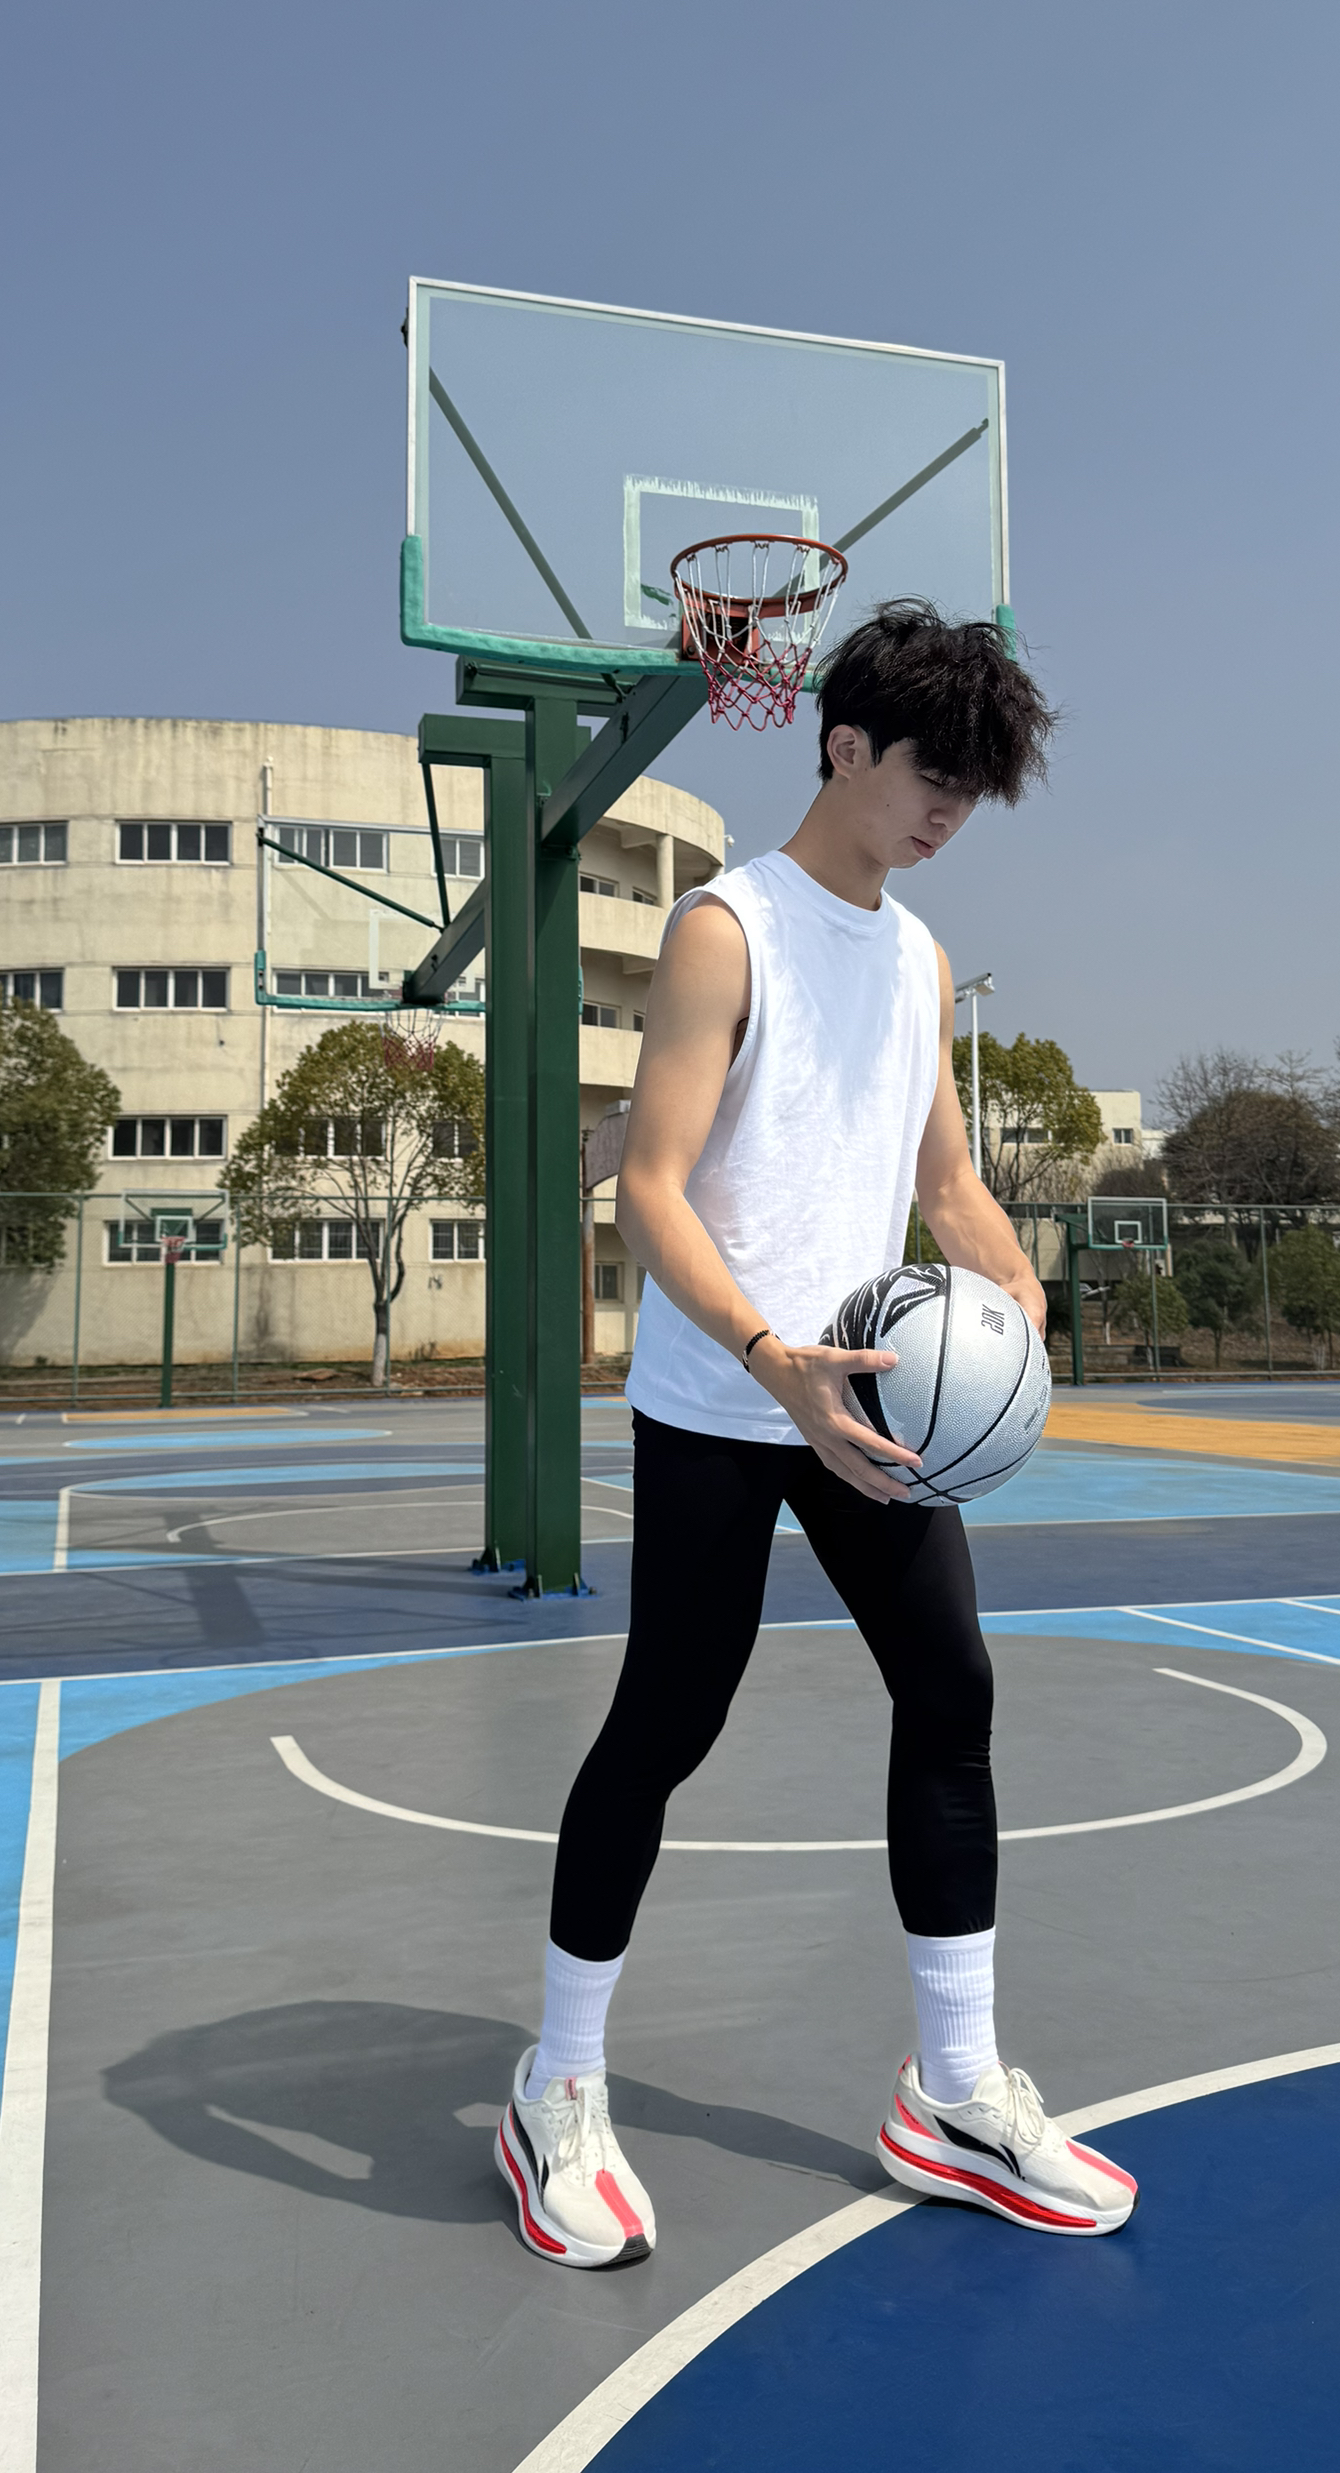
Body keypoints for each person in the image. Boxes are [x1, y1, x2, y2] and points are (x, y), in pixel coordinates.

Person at [494, 602, 1138, 2267]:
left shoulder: (915, 959)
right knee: (665, 1724)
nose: (949, 814)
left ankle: (955, 2093)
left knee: (952, 1692)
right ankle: (555, 2085)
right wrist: (772, 1357)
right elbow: (649, 1188)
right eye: (933, 777)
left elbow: (943, 1181)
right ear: (844, 744)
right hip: (730, 1396)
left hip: (871, 1401)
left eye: (975, 792)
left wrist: (1010, 1283)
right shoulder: (728, 929)